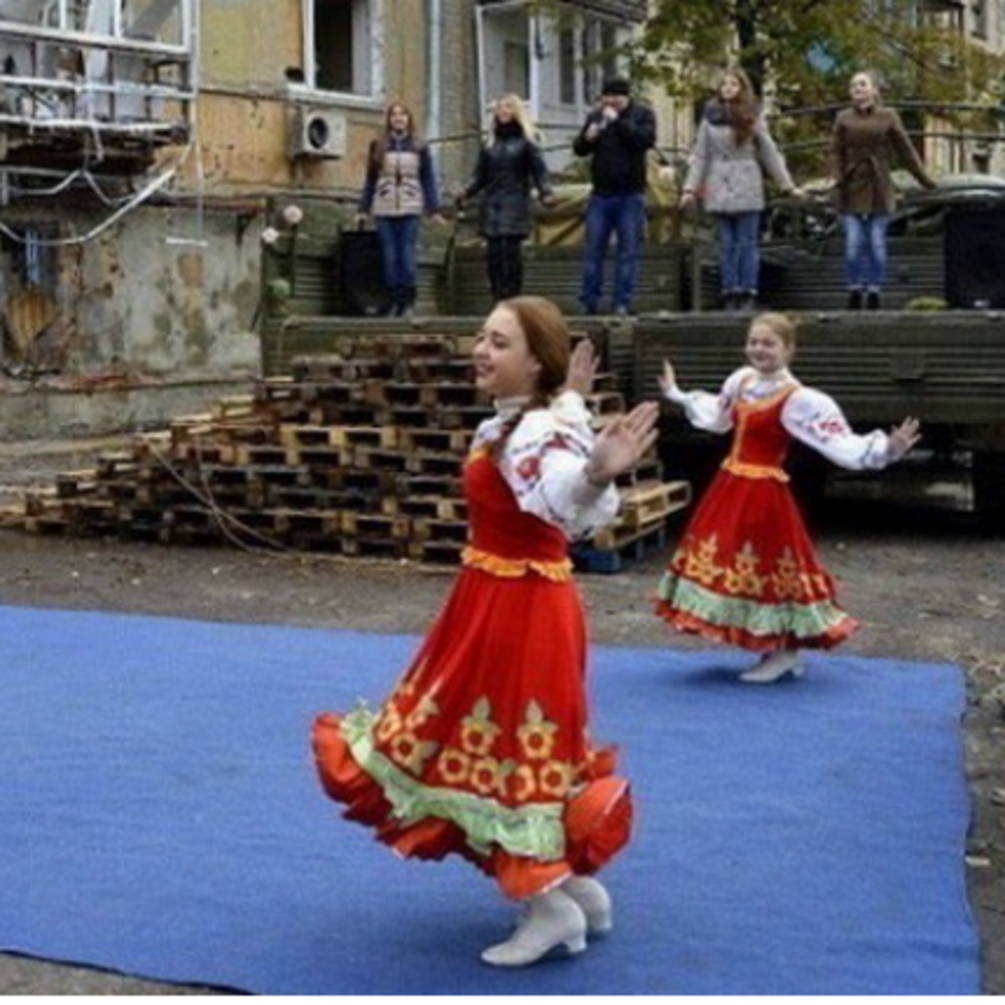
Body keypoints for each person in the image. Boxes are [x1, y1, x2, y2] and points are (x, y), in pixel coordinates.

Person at [312, 296, 660, 967]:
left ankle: (547, 903)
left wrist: (591, 470)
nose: (481, 349)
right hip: (505, 598)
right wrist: (575, 412)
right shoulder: (530, 419)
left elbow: (560, 494)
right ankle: (569, 882)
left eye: (498, 342)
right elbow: (556, 448)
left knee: (504, 752)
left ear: (535, 363)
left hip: (516, 611)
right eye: (482, 335)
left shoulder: (533, 433)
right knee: (521, 748)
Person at [655, 311, 920, 684]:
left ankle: (785, 651)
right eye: (754, 342)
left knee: (768, 569)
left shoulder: (800, 399)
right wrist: (676, 394)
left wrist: (887, 450)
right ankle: (774, 648)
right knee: (739, 567)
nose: (758, 350)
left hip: (763, 496)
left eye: (768, 343)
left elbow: (840, 443)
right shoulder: (741, 381)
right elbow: (717, 417)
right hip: (730, 486)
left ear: (789, 349)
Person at [680, 67, 802, 313]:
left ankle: (748, 290)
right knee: (726, 244)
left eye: (733, 84)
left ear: (742, 88)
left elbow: (769, 150)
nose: (727, 88)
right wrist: (689, 189)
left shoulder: (752, 115)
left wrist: (786, 184)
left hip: (746, 180)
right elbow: (701, 155)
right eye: (724, 84)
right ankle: (729, 291)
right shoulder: (710, 117)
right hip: (718, 183)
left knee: (747, 243)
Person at [829, 71, 937, 311]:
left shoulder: (888, 115)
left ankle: (875, 290)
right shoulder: (843, 117)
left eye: (862, 84)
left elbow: (905, 149)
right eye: (853, 85)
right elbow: (835, 150)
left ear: (874, 90)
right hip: (851, 184)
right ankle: (855, 289)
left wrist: (924, 180)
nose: (857, 88)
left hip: (879, 183)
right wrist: (836, 177)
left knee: (877, 243)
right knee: (853, 244)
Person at [457, 94, 556, 303]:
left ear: (516, 112)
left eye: (508, 107)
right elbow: (479, 175)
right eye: (500, 108)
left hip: (515, 201)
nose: (503, 111)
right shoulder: (490, 143)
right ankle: (497, 297)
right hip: (492, 202)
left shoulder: (528, 141)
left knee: (510, 252)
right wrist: (466, 191)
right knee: (493, 254)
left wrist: (546, 192)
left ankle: (512, 296)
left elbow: (540, 171)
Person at [573, 77, 656, 317]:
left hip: (631, 195)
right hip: (601, 195)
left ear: (625, 97)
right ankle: (589, 300)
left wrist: (618, 122)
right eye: (605, 97)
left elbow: (644, 140)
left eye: (614, 97)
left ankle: (622, 302)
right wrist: (589, 136)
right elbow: (580, 149)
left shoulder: (642, 115)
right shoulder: (596, 116)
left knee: (628, 251)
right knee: (593, 250)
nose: (609, 101)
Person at [357, 101, 446, 319]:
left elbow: (428, 179)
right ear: (388, 120)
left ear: (409, 119)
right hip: (384, 207)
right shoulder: (378, 145)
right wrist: (363, 208)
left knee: (405, 255)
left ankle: (408, 302)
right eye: (394, 115)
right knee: (389, 257)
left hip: (410, 206)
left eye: (402, 114)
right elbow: (370, 179)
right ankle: (392, 301)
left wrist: (434, 209)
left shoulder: (419, 146)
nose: (398, 118)